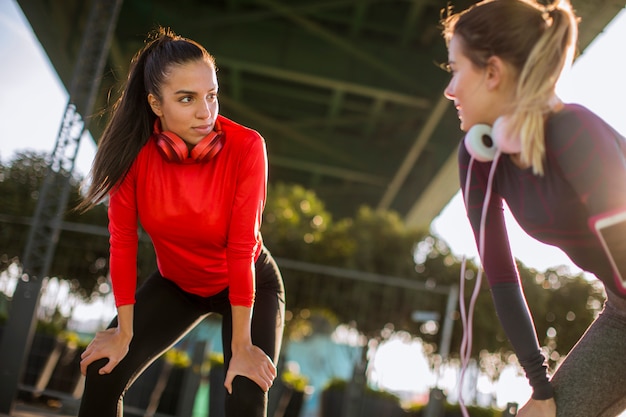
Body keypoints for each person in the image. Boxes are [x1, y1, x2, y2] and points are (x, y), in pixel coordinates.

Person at [76, 27, 285, 417]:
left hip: (245, 280)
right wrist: (123, 332)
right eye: (187, 99)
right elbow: (121, 242)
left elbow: (241, 247)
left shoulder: (247, 147)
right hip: (176, 283)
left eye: (211, 95)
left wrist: (242, 348)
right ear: (156, 104)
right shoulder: (133, 156)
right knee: (103, 370)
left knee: (245, 390)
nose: (206, 113)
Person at [441, 0, 626, 416]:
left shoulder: (576, 133)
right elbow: (502, 278)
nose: (449, 90)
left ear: (492, 72)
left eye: (456, 70)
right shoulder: (479, 158)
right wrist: (540, 391)